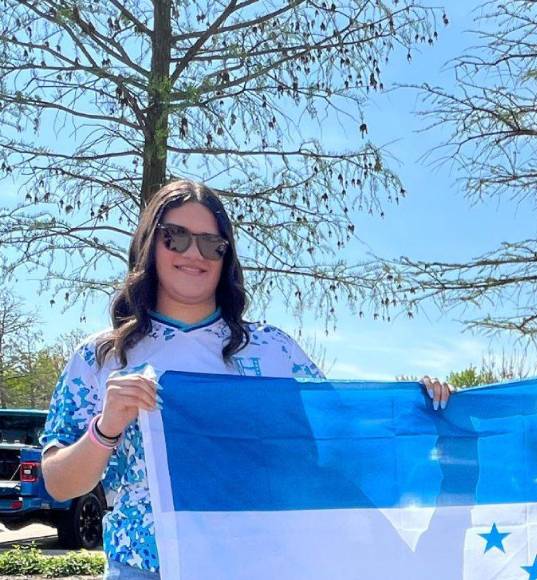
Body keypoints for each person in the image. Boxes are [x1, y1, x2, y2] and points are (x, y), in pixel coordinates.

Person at [39, 180, 453, 579]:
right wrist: (106, 428)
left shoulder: (274, 351)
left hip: (256, 564)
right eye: (176, 237)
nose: (194, 253)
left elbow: (340, 441)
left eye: (211, 244)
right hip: (145, 569)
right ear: (150, 243)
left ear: (226, 257)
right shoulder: (101, 356)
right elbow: (59, 483)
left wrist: (423, 411)